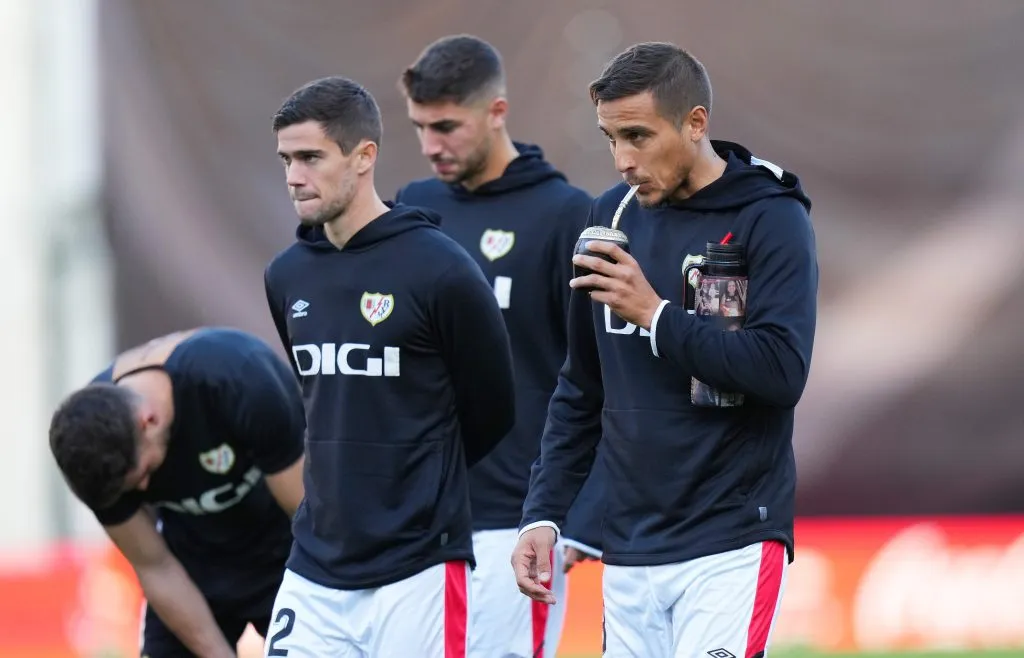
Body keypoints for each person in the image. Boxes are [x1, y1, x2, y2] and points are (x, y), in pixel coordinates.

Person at [511, 42, 818, 657]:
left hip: (731, 540)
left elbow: (782, 371)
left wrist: (654, 315)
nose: (623, 159)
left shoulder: (770, 216)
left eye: (638, 136)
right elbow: (581, 386)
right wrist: (543, 514)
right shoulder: (609, 219)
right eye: (610, 139)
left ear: (695, 123)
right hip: (629, 546)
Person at [263, 75, 516, 658]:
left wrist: (416, 478)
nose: (294, 176)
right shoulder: (287, 275)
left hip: (418, 564)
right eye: (285, 159)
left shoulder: (442, 271)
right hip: (315, 564)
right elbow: (322, 401)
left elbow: (492, 410)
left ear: (363, 157)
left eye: (310, 158)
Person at [394, 33, 601, 658]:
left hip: (516, 521)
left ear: (497, 112)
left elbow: (597, 376)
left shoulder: (566, 215)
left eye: (448, 126)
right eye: (420, 127)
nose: (432, 145)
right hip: (419, 523)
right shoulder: (414, 209)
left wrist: (572, 516)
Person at [48, 327, 307, 658]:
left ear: (149, 421)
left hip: (286, 558)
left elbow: (309, 520)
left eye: (143, 474)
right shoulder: (89, 452)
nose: (144, 489)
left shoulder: (240, 378)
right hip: (194, 570)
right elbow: (155, 566)